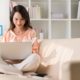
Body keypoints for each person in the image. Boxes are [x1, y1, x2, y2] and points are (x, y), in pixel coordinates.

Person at [2, 5, 41, 73]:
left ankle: (12, 70)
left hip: (25, 63)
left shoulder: (31, 32)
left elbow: (35, 51)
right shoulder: (7, 33)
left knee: (36, 58)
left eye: (22, 19)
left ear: (26, 19)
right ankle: (16, 70)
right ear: (12, 19)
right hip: (9, 63)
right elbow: (2, 52)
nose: (19, 23)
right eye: (16, 19)